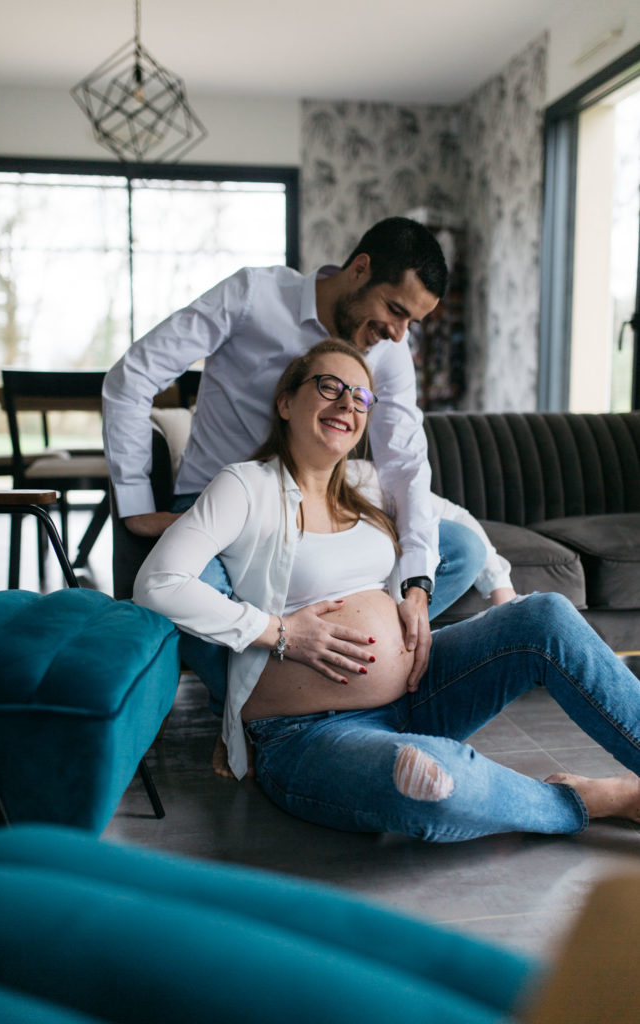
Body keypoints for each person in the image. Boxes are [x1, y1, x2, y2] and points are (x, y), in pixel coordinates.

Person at [134, 340, 640, 839]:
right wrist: (280, 631)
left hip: (421, 690)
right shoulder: (245, 486)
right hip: (310, 732)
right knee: (430, 782)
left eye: (360, 397)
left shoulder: (368, 483)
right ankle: (591, 801)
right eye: (329, 386)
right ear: (286, 402)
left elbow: (455, 523)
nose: (346, 405)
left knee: (544, 616)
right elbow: (158, 584)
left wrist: (451, 592)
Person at [104, 217, 492, 706]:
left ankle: (328, 674)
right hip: (224, 507)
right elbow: (132, 376)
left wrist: (415, 585)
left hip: (326, 506)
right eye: (394, 309)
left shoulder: (390, 351)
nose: (398, 334)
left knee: (459, 550)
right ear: (360, 269)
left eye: (411, 322)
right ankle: (258, 717)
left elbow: (405, 463)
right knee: (189, 592)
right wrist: (136, 500)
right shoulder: (252, 296)